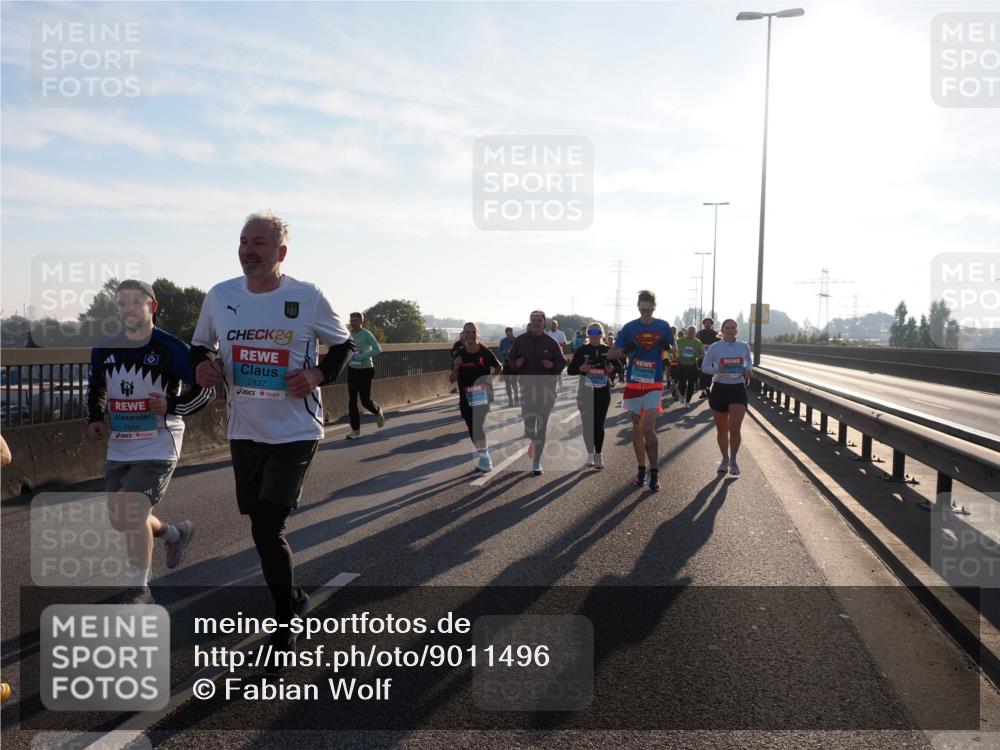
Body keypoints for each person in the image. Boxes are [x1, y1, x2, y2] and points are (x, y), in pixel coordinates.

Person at [191, 210, 355, 671]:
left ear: (280, 252)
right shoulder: (220, 296)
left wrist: (318, 374)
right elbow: (199, 346)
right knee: (257, 520)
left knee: (268, 526)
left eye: (258, 243)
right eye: (243, 241)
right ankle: (294, 596)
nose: (248, 250)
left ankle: (284, 623)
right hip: (244, 429)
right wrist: (200, 366)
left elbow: (345, 345)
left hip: (295, 431)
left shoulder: (307, 296)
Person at [86, 279, 212, 604]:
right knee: (122, 519)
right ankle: (175, 533)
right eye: (121, 304)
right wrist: (95, 417)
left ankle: (140, 590)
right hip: (121, 443)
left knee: (129, 510)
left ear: (152, 306)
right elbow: (98, 385)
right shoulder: (105, 348)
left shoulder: (171, 348)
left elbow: (205, 390)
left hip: (159, 442)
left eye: (134, 303)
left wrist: (171, 405)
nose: (127, 309)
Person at [609, 290, 675, 492]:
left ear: (654, 306)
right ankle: (641, 470)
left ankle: (654, 472)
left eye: (648, 309)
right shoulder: (629, 327)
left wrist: (667, 347)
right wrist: (624, 351)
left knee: (648, 429)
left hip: (653, 384)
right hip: (634, 384)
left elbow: (675, 351)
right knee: (637, 428)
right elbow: (611, 354)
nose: (645, 312)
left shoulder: (663, 326)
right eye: (642, 309)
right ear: (638, 306)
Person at [509, 310, 566, 475]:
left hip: (546, 391)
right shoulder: (520, 340)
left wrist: (552, 366)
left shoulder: (551, 342)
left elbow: (561, 363)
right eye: (533, 320)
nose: (535, 323)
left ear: (544, 323)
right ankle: (534, 440)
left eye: (539, 320)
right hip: (527, 390)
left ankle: (537, 462)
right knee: (529, 428)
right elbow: (510, 359)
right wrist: (516, 364)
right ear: (530, 322)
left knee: (541, 427)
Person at [701, 318, 753, 476]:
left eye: (733, 327)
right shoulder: (715, 347)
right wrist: (718, 370)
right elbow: (704, 367)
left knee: (735, 428)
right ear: (722, 330)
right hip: (720, 388)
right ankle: (724, 458)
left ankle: (734, 460)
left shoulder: (743, 346)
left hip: (737, 388)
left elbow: (749, 365)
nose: (730, 330)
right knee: (722, 430)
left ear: (737, 330)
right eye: (727, 327)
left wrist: (747, 370)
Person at [449, 322, 502, 471]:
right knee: (471, 426)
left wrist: (490, 378)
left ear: (477, 334)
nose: (470, 335)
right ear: (463, 335)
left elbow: (499, 367)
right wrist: (456, 367)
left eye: (473, 332)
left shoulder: (484, 351)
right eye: (467, 332)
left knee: (476, 426)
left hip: (481, 392)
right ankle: (483, 455)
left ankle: (485, 458)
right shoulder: (459, 354)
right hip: (465, 395)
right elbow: (451, 379)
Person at [567, 322, 614, 470]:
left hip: (602, 392)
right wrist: (581, 368)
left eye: (597, 332)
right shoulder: (582, 350)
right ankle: (589, 454)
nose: (594, 335)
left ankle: (598, 454)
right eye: (591, 332)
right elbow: (570, 370)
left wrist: (611, 368)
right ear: (588, 334)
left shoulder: (608, 350)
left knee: (598, 424)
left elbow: (619, 366)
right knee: (587, 425)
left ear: (602, 334)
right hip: (585, 392)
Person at [345, 312, 385, 439]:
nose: (353, 323)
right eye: (351, 320)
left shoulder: (366, 334)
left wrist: (361, 356)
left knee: (365, 401)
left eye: (355, 321)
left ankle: (377, 411)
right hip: (352, 370)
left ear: (361, 322)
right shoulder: (348, 335)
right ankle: (355, 430)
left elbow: (377, 349)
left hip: (366, 370)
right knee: (352, 401)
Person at [676, 325, 706, 405]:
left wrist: (699, 356)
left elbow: (702, 354)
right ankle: (682, 394)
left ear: (695, 333)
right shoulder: (680, 341)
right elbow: (673, 349)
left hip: (692, 365)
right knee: (682, 383)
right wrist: (676, 356)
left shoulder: (698, 342)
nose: (691, 333)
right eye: (690, 331)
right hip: (682, 364)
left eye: (693, 331)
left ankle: (687, 401)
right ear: (687, 332)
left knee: (691, 384)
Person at [696, 317, 720, 398]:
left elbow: (719, 345)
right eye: (706, 323)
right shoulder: (699, 333)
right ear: (703, 324)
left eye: (709, 323)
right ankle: (703, 391)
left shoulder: (715, 334)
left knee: (710, 374)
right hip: (701, 357)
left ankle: (708, 388)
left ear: (711, 324)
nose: (707, 324)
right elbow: (696, 344)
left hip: (712, 357)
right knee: (702, 374)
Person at [497, 326, 520, 407]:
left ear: (512, 333)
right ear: (506, 334)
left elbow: (520, 351)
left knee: (514, 382)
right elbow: (499, 352)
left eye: (510, 333)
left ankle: (516, 399)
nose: (509, 335)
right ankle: (510, 400)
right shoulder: (503, 341)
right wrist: (504, 351)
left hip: (514, 364)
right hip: (506, 364)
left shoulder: (517, 340)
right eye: (508, 334)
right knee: (507, 383)